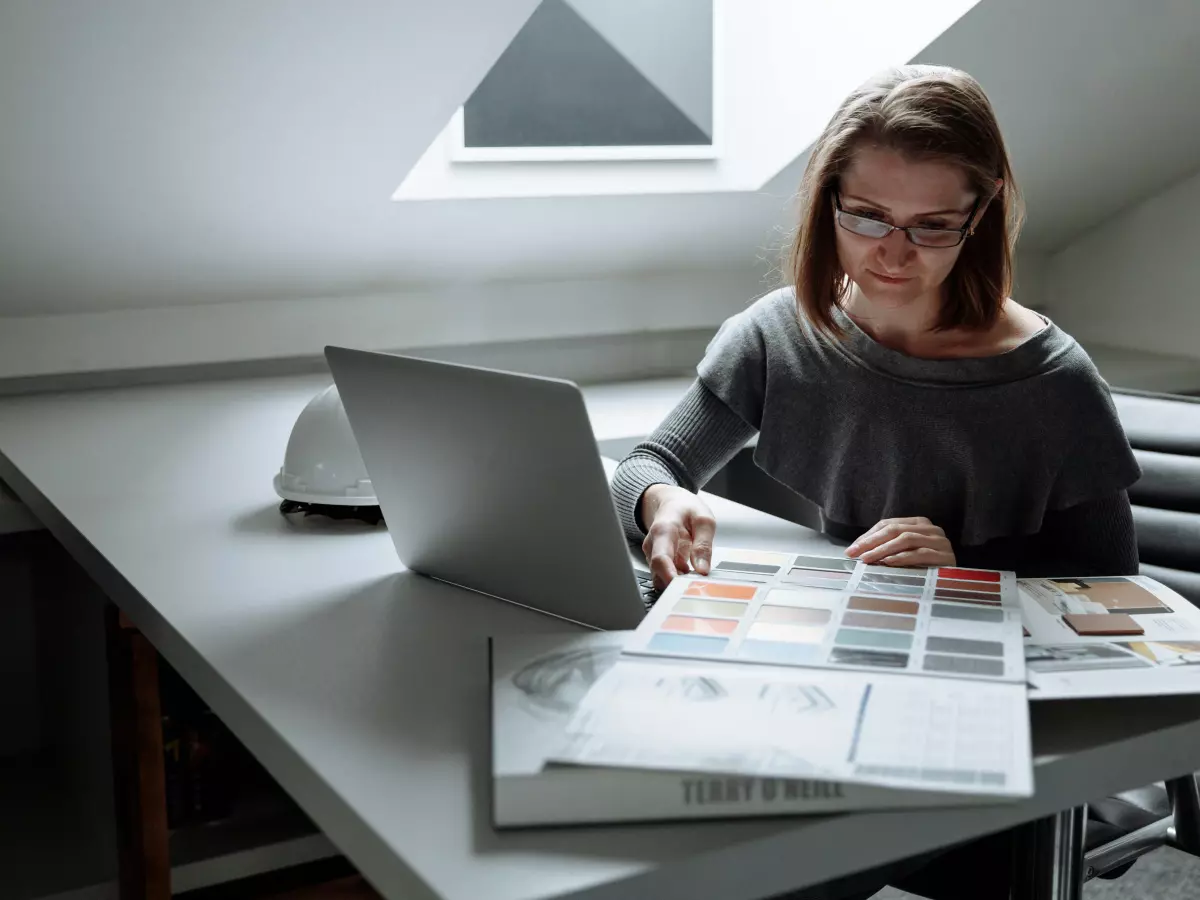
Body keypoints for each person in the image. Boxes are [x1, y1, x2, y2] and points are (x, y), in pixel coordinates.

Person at [609, 64, 1143, 899]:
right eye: (865, 216)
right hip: (837, 681)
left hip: (992, 721)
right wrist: (663, 499)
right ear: (828, 201)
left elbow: (1114, 606)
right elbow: (648, 463)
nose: (891, 252)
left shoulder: (1054, 383)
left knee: (748, 869)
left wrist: (966, 576)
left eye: (932, 225)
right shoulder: (782, 331)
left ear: (984, 213)